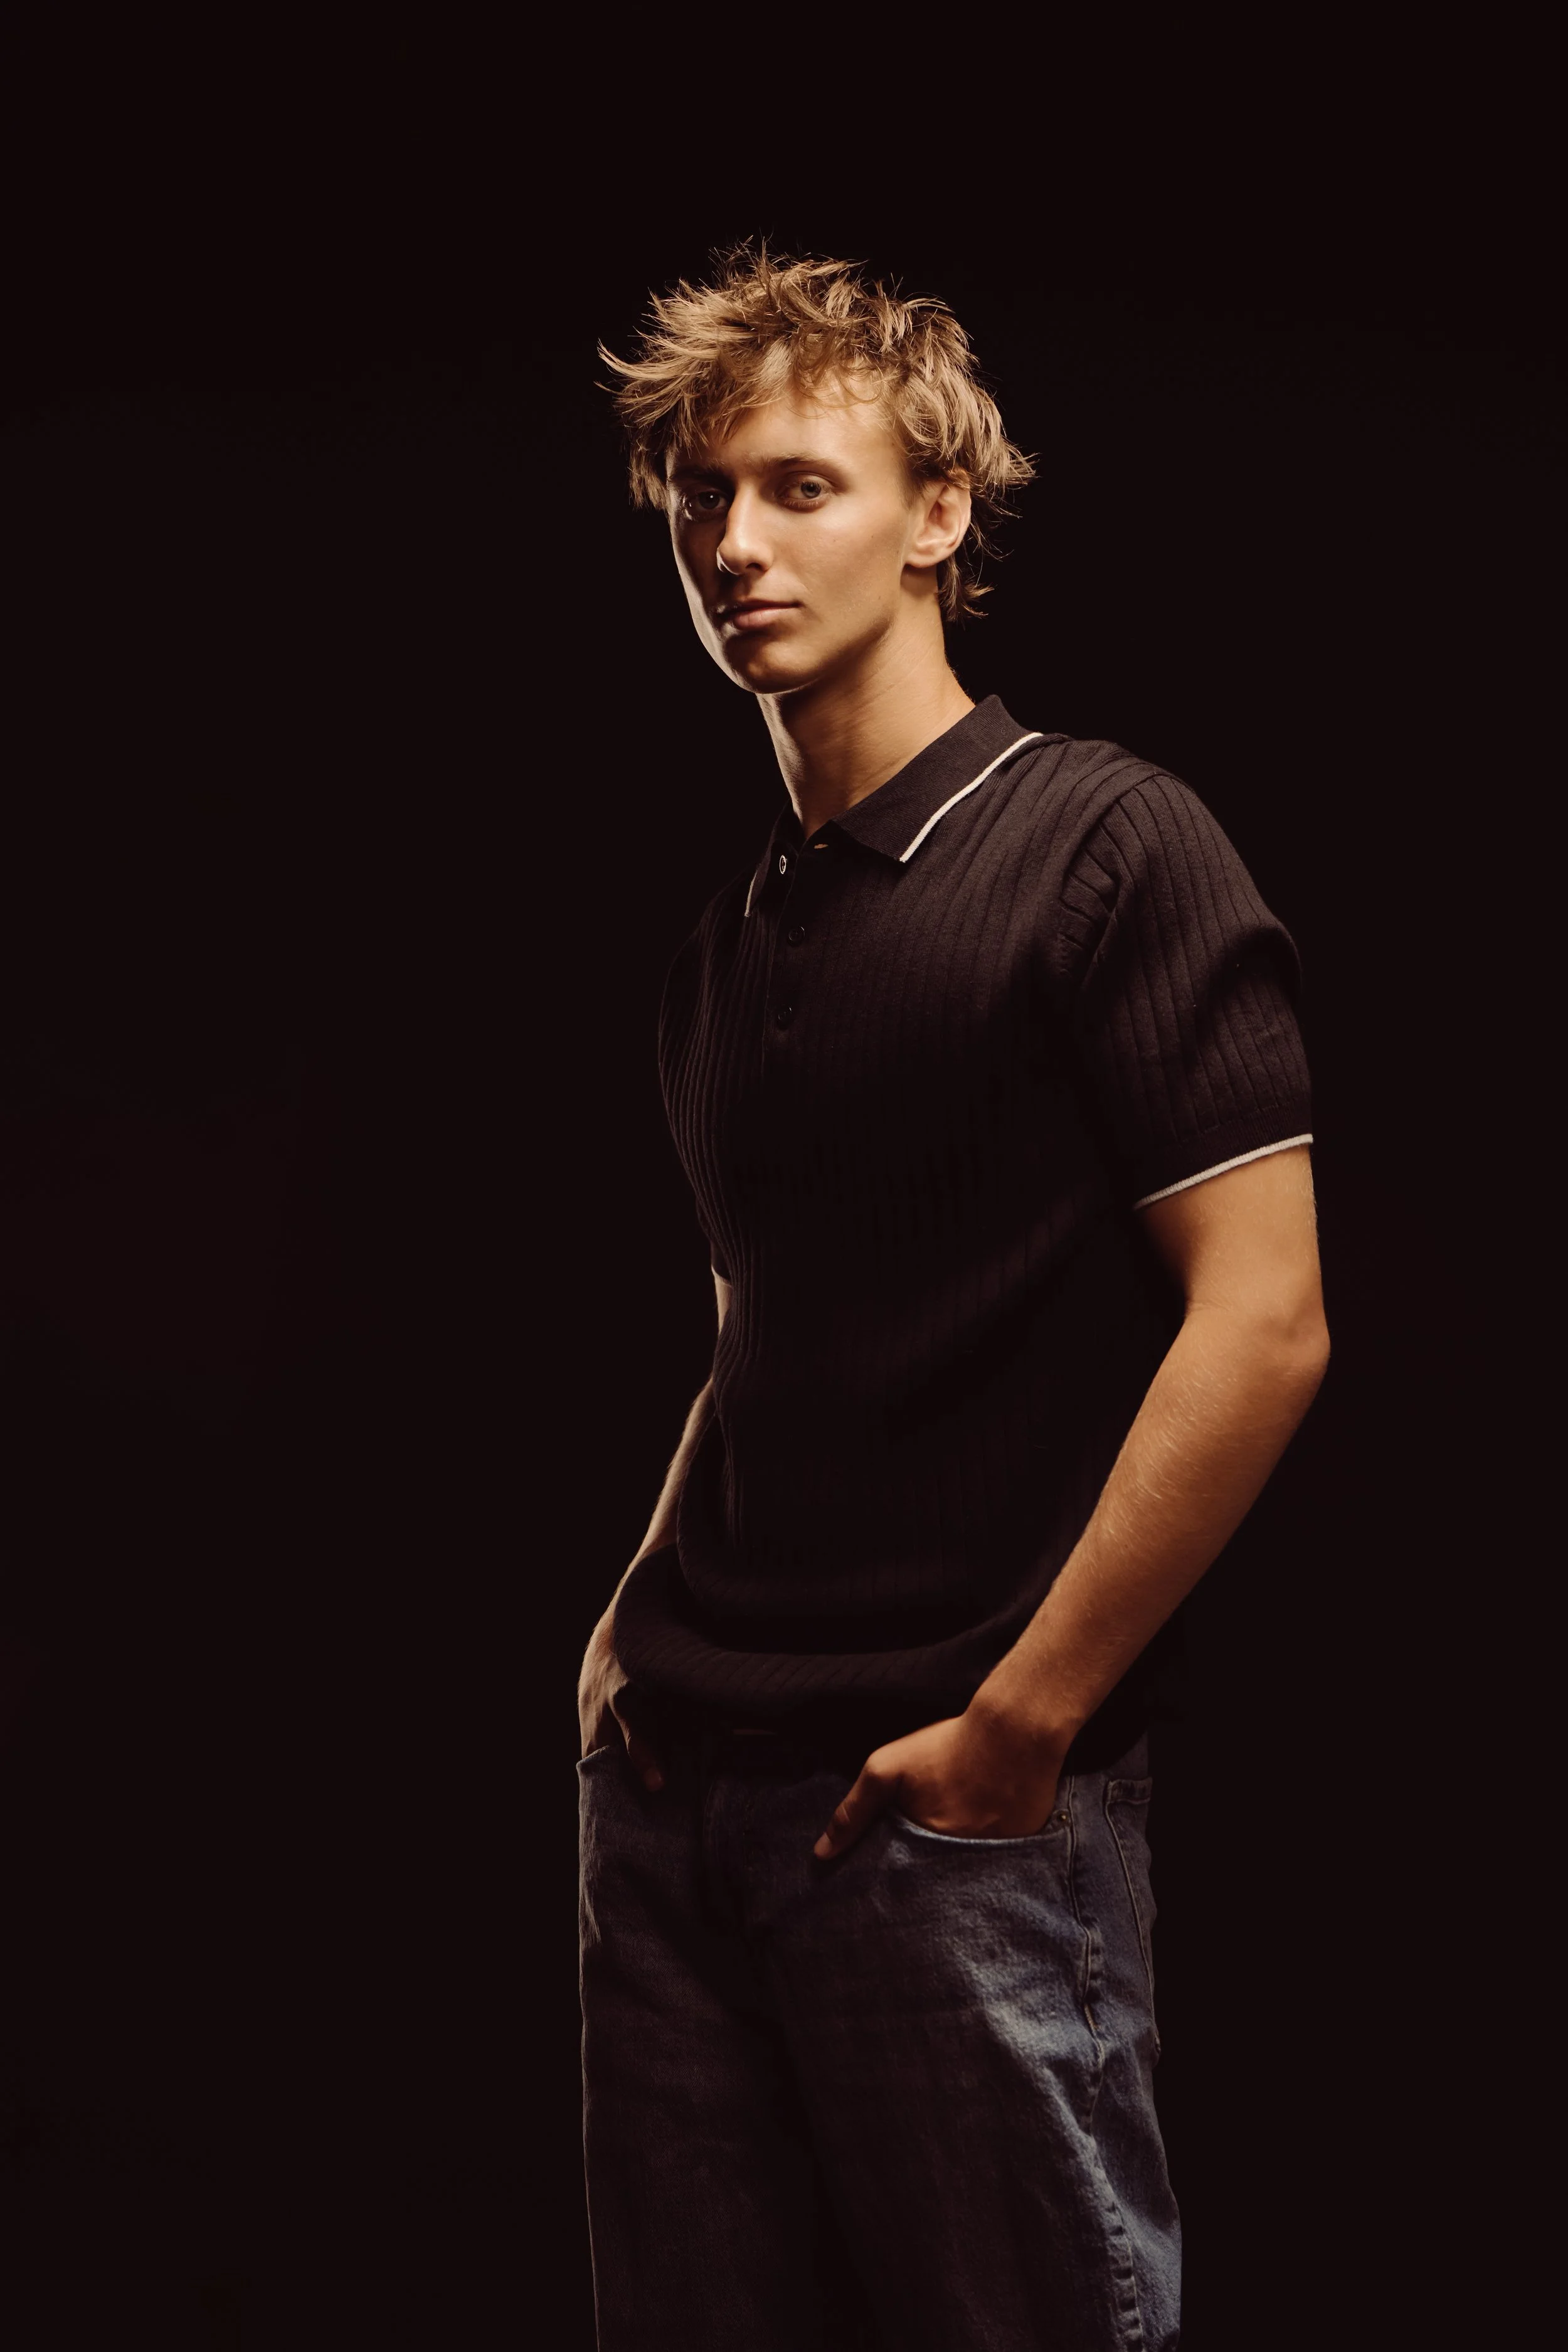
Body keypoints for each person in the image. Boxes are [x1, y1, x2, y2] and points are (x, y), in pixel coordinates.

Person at [577, 245, 1328, 2352]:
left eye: (798, 485)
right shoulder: (726, 953)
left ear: (936, 514)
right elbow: (762, 1320)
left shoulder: (1105, 847)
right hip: (676, 1817)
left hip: (946, 1818)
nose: (734, 542)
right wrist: (619, 1634)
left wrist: (1024, 1723)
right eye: (699, 501)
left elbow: (1263, 1321)